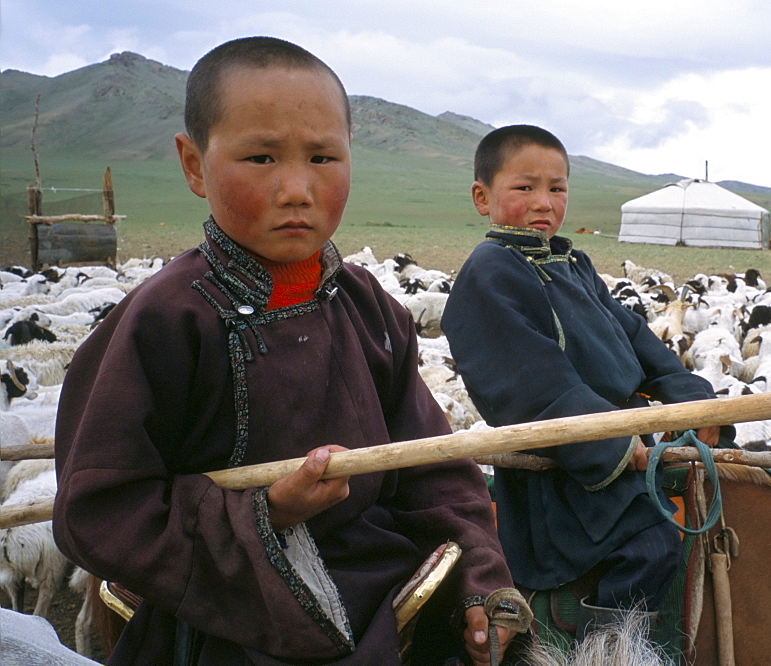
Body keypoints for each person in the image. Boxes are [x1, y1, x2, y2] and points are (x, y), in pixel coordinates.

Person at [52, 37, 529, 665]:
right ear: (193, 165)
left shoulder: (369, 308)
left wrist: (481, 578)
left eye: (324, 157)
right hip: (222, 619)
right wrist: (264, 512)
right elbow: (98, 508)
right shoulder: (165, 320)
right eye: (260, 157)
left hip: (385, 595)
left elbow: (435, 466)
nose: (297, 189)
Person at [440, 125, 731, 635]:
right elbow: (534, 387)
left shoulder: (571, 264)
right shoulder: (489, 273)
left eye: (557, 188)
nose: (544, 203)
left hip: (613, 446)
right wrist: (617, 440)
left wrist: (695, 406)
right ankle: (610, 647)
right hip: (559, 477)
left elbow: (638, 339)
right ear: (482, 197)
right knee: (651, 545)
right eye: (525, 188)